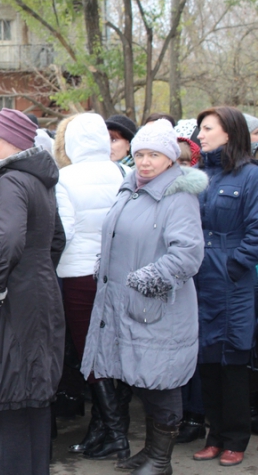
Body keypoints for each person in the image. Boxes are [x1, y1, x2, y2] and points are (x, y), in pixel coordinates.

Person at [83, 119, 207, 474]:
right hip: (122, 305)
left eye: (154, 154)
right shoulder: (130, 188)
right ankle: (150, 451)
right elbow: (115, 237)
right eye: (140, 154)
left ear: (170, 158)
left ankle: (160, 459)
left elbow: (187, 254)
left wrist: (146, 280)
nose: (145, 161)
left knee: (161, 382)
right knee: (139, 380)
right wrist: (102, 265)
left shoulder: (178, 196)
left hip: (158, 309)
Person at [0, 109, 66, 475]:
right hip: (36, 293)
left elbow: (7, 239)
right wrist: (36, 274)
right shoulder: (39, 179)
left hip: (10, 298)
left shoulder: (11, 181)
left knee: (8, 390)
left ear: (14, 141)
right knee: (33, 393)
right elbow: (57, 239)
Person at [53, 113, 127, 458]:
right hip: (118, 273)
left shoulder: (64, 178)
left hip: (79, 274)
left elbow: (62, 233)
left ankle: (114, 433)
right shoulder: (123, 172)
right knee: (113, 351)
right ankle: (104, 427)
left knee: (89, 353)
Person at [193, 106, 258, 467]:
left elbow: (256, 231)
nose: (200, 135)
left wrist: (233, 266)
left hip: (231, 282)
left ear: (229, 133)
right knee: (206, 359)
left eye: (207, 128)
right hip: (201, 280)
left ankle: (235, 438)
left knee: (231, 360)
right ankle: (213, 435)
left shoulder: (250, 177)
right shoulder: (201, 174)